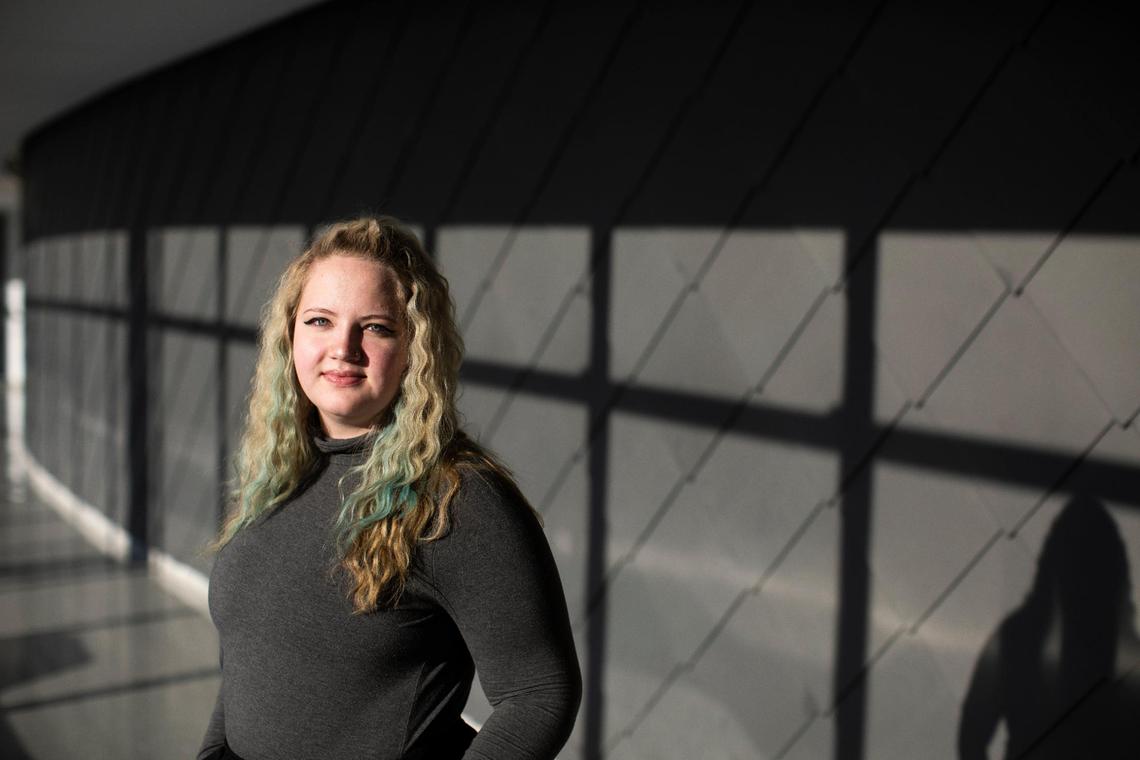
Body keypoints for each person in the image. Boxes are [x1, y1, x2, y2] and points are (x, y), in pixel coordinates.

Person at [198, 216, 582, 760]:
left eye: (376, 327)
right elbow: (250, 658)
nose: (343, 348)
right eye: (319, 321)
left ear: (414, 348)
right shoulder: (275, 475)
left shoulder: (457, 500)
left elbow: (539, 693)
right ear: (289, 337)